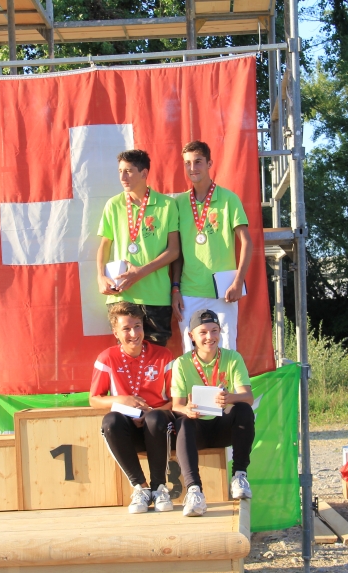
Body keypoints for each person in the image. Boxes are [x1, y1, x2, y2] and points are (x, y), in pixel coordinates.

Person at [89, 302, 177, 514]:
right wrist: (122, 400)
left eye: (137, 326)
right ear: (116, 332)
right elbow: (94, 399)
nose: (133, 333)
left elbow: (177, 399)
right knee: (110, 421)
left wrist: (151, 412)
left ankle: (159, 487)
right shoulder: (106, 358)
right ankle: (141, 488)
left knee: (155, 419)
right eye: (126, 329)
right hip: (128, 429)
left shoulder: (163, 355)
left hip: (159, 428)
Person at [171, 309, 255, 517]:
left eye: (214, 331)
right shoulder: (181, 363)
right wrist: (187, 410)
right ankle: (194, 490)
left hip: (222, 427)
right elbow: (176, 405)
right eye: (203, 332)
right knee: (183, 422)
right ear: (191, 336)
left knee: (243, 409)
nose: (210, 337)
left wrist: (230, 398)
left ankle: (239, 475)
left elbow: (248, 396)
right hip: (197, 429)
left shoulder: (232, 357)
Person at [171, 140, 252, 352]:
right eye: (188, 163)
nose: (192, 168)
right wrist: (175, 288)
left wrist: (238, 281)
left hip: (224, 291)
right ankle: (194, 389)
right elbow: (177, 253)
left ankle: (225, 388)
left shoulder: (228, 199)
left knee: (226, 352)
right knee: (191, 355)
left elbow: (246, 243)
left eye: (198, 162)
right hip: (189, 292)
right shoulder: (179, 204)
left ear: (209, 163)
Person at [97, 149, 179, 346]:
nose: (123, 177)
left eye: (129, 171)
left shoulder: (167, 205)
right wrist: (100, 276)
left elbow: (174, 250)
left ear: (144, 174)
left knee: (156, 358)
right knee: (128, 358)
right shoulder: (113, 204)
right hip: (122, 295)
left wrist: (139, 273)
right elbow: (104, 245)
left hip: (156, 296)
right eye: (120, 171)